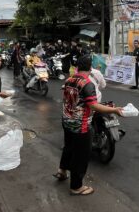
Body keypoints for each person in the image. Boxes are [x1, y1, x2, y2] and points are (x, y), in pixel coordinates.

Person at [55, 56, 123, 196]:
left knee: (68, 147)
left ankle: (62, 171)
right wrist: (114, 110)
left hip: (66, 121)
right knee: (80, 156)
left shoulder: (69, 80)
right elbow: (93, 105)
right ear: (91, 68)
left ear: (77, 67)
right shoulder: (87, 84)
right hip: (81, 125)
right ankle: (76, 187)